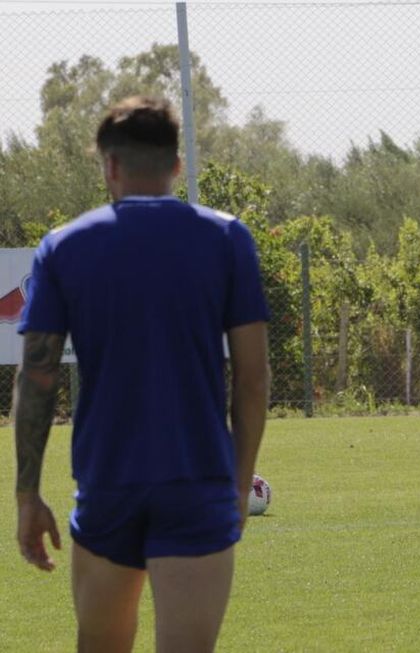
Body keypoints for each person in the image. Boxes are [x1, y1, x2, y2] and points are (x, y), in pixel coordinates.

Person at [14, 95, 270, 652]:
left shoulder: (64, 247)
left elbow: (38, 378)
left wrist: (27, 495)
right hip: (198, 482)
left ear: (109, 165)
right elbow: (253, 379)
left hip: (109, 484)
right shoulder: (227, 238)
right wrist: (238, 483)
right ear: (176, 164)